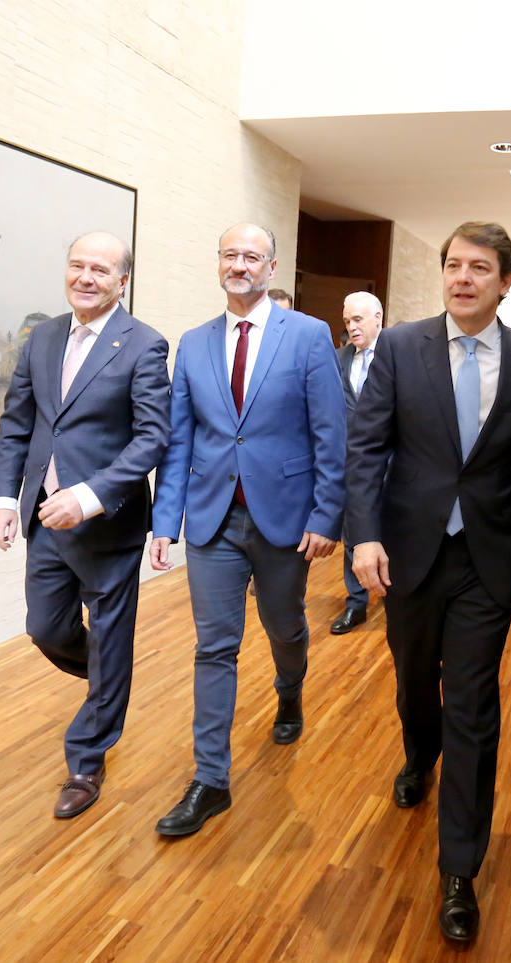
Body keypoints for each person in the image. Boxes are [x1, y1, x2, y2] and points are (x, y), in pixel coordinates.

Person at [347, 221, 511, 945]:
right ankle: (417, 752)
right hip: (407, 551)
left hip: (486, 562)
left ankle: (460, 867)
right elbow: (367, 443)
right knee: (414, 683)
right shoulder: (401, 347)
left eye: (481, 267)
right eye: (454, 265)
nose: (464, 277)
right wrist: (364, 534)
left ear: (506, 280)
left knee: (472, 702)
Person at [149, 222, 346, 836]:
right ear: (219, 263)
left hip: (285, 520)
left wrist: (326, 515)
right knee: (214, 647)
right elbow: (179, 440)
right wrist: (165, 521)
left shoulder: (309, 337)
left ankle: (291, 686)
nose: (240, 265)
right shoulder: (194, 342)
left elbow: (330, 436)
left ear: (270, 265)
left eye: (251, 256)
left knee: (285, 625)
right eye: (230, 254)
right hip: (212, 521)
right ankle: (211, 779)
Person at [0, 232, 170, 820]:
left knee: (111, 633)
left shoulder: (143, 344)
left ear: (123, 281)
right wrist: (1, 500)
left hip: (107, 524)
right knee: (45, 627)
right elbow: (18, 424)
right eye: (77, 266)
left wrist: (88, 496)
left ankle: (86, 761)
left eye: (101, 269)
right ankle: (109, 680)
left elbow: (152, 438)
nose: (86, 277)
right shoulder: (40, 338)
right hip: (44, 521)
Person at [330, 290, 384, 635]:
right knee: (353, 536)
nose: (351, 327)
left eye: (358, 319)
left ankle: (398, 600)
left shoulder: (401, 356)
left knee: (395, 536)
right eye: (347, 321)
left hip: (393, 465)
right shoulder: (338, 359)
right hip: (350, 465)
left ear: (378, 317)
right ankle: (356, 603)